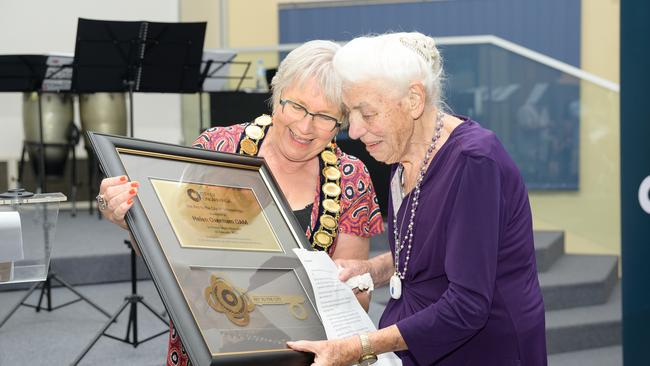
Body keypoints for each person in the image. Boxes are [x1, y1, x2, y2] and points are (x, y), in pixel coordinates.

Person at [96, 40, 384, 366]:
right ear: (277, 97)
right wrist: (128, 218)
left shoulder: (351, 178)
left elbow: (356, 297)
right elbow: (165, 248)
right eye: (297, 107)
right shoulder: (216, 149)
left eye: (324, 117)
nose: (305, 127)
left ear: (341, 122)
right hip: (208, 344)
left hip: (303, 354)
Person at [287, 32, 547, 365]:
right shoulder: (406, 156)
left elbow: (467, 305)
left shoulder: (474, 163)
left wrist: (357, 346)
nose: (352, 131)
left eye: (367, 114)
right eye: (349, 114)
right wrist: (371, 270)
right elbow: (431, 250)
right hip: (425, 344)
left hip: (483, 352)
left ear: (413, 100)